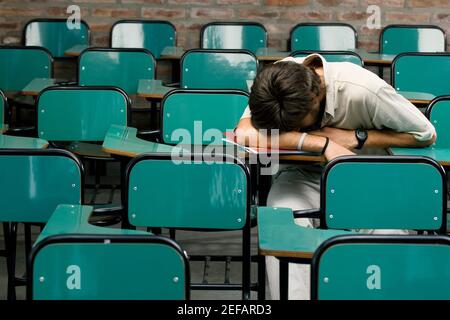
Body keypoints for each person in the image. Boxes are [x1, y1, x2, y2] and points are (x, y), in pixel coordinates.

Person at [235, 54, 436, 300]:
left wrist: (357, 137)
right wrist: (321, 143)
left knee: (388, 230)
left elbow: (425, 133)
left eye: (296, 125)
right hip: (302, 176)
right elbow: (244, 134)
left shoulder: (364, 90)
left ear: (315, 98)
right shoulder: (276, 82)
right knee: (281, 215)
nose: (292, 132)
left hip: (366, 179)